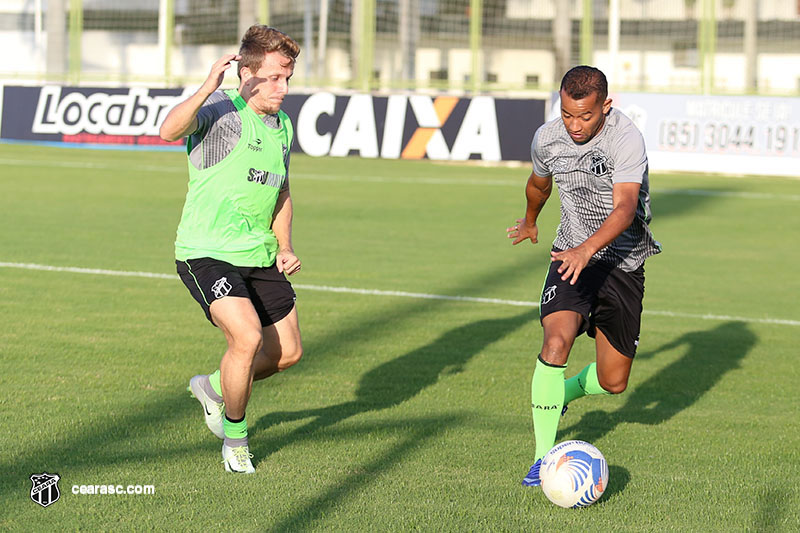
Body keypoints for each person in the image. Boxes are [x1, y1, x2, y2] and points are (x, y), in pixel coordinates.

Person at [506, 65, 661, 487]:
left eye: (586, 116)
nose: (575, 126)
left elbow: (625, 208)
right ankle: (542, 460)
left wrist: (587, 249)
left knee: (613, 382)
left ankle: (562, 395)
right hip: (569, 255)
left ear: (606, 106)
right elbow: (539, 184)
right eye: (568, 114)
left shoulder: (625, 139)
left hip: (622, 263)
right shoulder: (548, 137)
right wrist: (531, 220)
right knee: (555, 342)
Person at [159, 25, 303, 474]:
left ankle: (214, 386)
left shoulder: (282, 125)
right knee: (246, 337)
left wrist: (284, 244)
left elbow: (280, 191)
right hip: (206, 250)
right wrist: (207, 86)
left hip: (259, 253)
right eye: (276, 77)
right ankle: (236, 442)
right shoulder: (221, 108)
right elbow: (168, 131)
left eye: (288, 78)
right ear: (249, 73)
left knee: (289, 354)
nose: (283, 88)